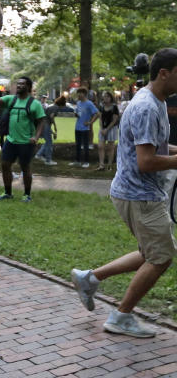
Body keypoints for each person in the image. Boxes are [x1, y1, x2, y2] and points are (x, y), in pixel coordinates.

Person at [71, 48, 177, 338]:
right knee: (161, 256)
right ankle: (121, 316)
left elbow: (156, 149)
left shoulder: (154, 101)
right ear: (164, 74)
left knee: (150, 251)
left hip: (135, 192)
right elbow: (146, 162)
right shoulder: (146, 107)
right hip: (140, 194)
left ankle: (89, 278)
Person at [0, 76, 45, 202]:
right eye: (18, 84)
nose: (19, 86)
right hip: (11, 140)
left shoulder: (35, 104)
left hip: (26, 142)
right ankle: (7, 192)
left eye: (23, 84)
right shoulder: (11, 99)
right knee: (5, 165)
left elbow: (41, 122)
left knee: (25, 167)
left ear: (29, 87)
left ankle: (27, 194)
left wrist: (36, 137)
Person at [72, 87, 99, 167]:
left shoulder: (89, 103)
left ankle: (86, 162)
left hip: (85, 128)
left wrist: (90, 122)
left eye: (80, 93)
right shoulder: (78, 103)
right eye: (78, 93)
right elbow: (77, 112)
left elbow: (97, 113)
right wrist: (76, 114)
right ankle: (78, 161)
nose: (78, 95)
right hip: (77, 127)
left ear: (84, 94)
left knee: (85, 145)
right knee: (78, 145)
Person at [97, 90, 121, 171]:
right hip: (103, 128)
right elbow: (100, 118)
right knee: (100, 146)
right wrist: (102, 128)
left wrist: (107, 129)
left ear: (111, 98)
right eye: (104, 96)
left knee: (111, 147)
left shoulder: (114, 107)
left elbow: (114, 120)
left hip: (112, 128)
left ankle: (110, 164)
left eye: (107, 96)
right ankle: (101, 164)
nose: (106, 98)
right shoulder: (101, 106)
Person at [36, 95, 63, 166]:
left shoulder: (51, 106)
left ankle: (39, 155)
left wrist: (53, 131)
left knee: (47, 141)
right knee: (49, 143)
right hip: (46, 125)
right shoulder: (56, 107)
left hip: (43, 124)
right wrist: (55, 126)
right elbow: (51, 116)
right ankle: (48, 160)